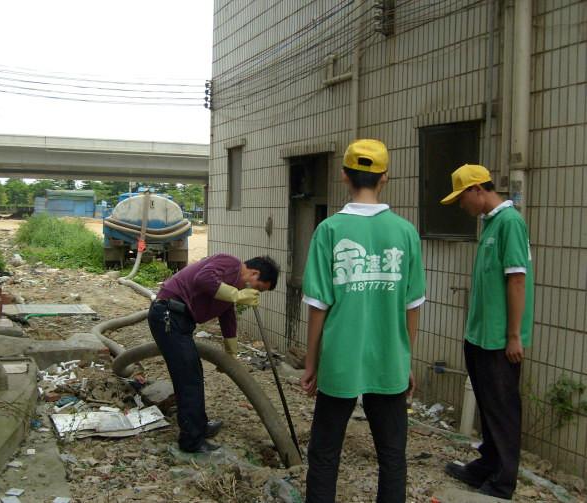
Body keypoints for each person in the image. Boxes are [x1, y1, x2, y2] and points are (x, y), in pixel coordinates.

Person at [300, 139, 426, 503]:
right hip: (389, 359)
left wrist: (312, 362)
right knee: (392, 457)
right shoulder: (405, 232)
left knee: (324, 453)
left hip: (340, 359)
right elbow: (412, 304)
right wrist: (406, 358)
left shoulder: (329, 231)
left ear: (344, 176)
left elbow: (318, 304)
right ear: (385, 177)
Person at [441, 164, 534, 500]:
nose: (462, 206)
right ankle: (486, 464)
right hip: (480, 335)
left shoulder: (510, 223)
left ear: (477, 189)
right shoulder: (491, 223)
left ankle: (502, 481)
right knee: (488, 405)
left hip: (499, 339)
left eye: (462, 198)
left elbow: (517, 279)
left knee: (504, 409)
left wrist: (514, 335)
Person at [147, 254, 279, 453]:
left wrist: (230, 353)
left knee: (194, 375)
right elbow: (203, 278)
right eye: (258, 287)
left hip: (179, 321)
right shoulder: (230, 263)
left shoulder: (232, 285)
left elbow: (227, 316)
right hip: (168, 316)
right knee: (188, 379)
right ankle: (191, 441)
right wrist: (236, 295)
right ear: (254, 273)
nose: (254, 291)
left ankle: (199, 426)